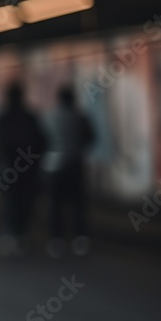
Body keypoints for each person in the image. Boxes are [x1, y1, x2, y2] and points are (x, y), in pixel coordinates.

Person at [0, 81, 46, 257]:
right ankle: (22, 235)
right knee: (25, 203)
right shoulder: (30, 117)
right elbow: (42, 142)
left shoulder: (2, 118)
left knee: (10, 203)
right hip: (28, 170)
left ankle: (12, 235)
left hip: (9, 168)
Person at [43, 85, 95, 257]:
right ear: (72, 99)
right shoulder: (80, 117)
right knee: (78, 204)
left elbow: (41, 141)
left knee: (55, 205)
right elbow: (91, 138)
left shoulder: (50, 118)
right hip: (75, 165)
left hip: (54, 167)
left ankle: (56, 240)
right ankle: (80, 240)